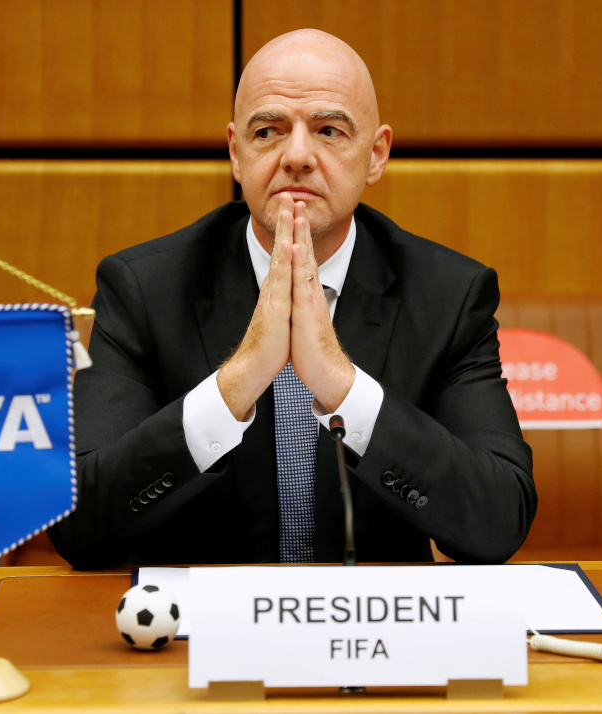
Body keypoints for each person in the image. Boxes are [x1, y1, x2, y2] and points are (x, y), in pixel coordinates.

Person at [48, 29, 536, 569]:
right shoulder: (144, 289)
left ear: (375, 156)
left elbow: (498, 523)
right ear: (237, 154)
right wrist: (236, 383)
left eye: (329, 130)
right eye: (268, 131)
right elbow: (78, 525)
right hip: (202, 640)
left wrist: (344, 389)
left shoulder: (447, 295)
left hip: (372, 637)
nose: (297, 156)